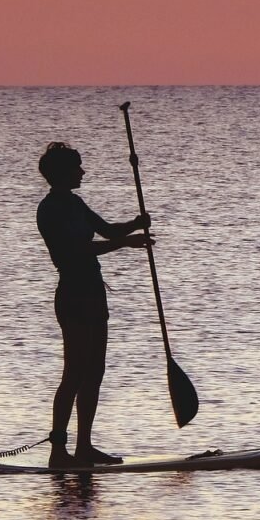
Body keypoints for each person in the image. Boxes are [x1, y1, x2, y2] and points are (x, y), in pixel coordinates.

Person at [36, 142, 153, 468]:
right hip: (73, 295)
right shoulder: (49, 210)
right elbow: (76, 250)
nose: (83, 172)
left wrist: (135, 224)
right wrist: (125, 243)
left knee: (95, 372)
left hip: (95, 294)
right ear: (62, 173)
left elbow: (106, 230)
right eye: (77, 167)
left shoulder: (76, 203)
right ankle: (58, 451)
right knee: (74, 373)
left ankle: (84, 447)